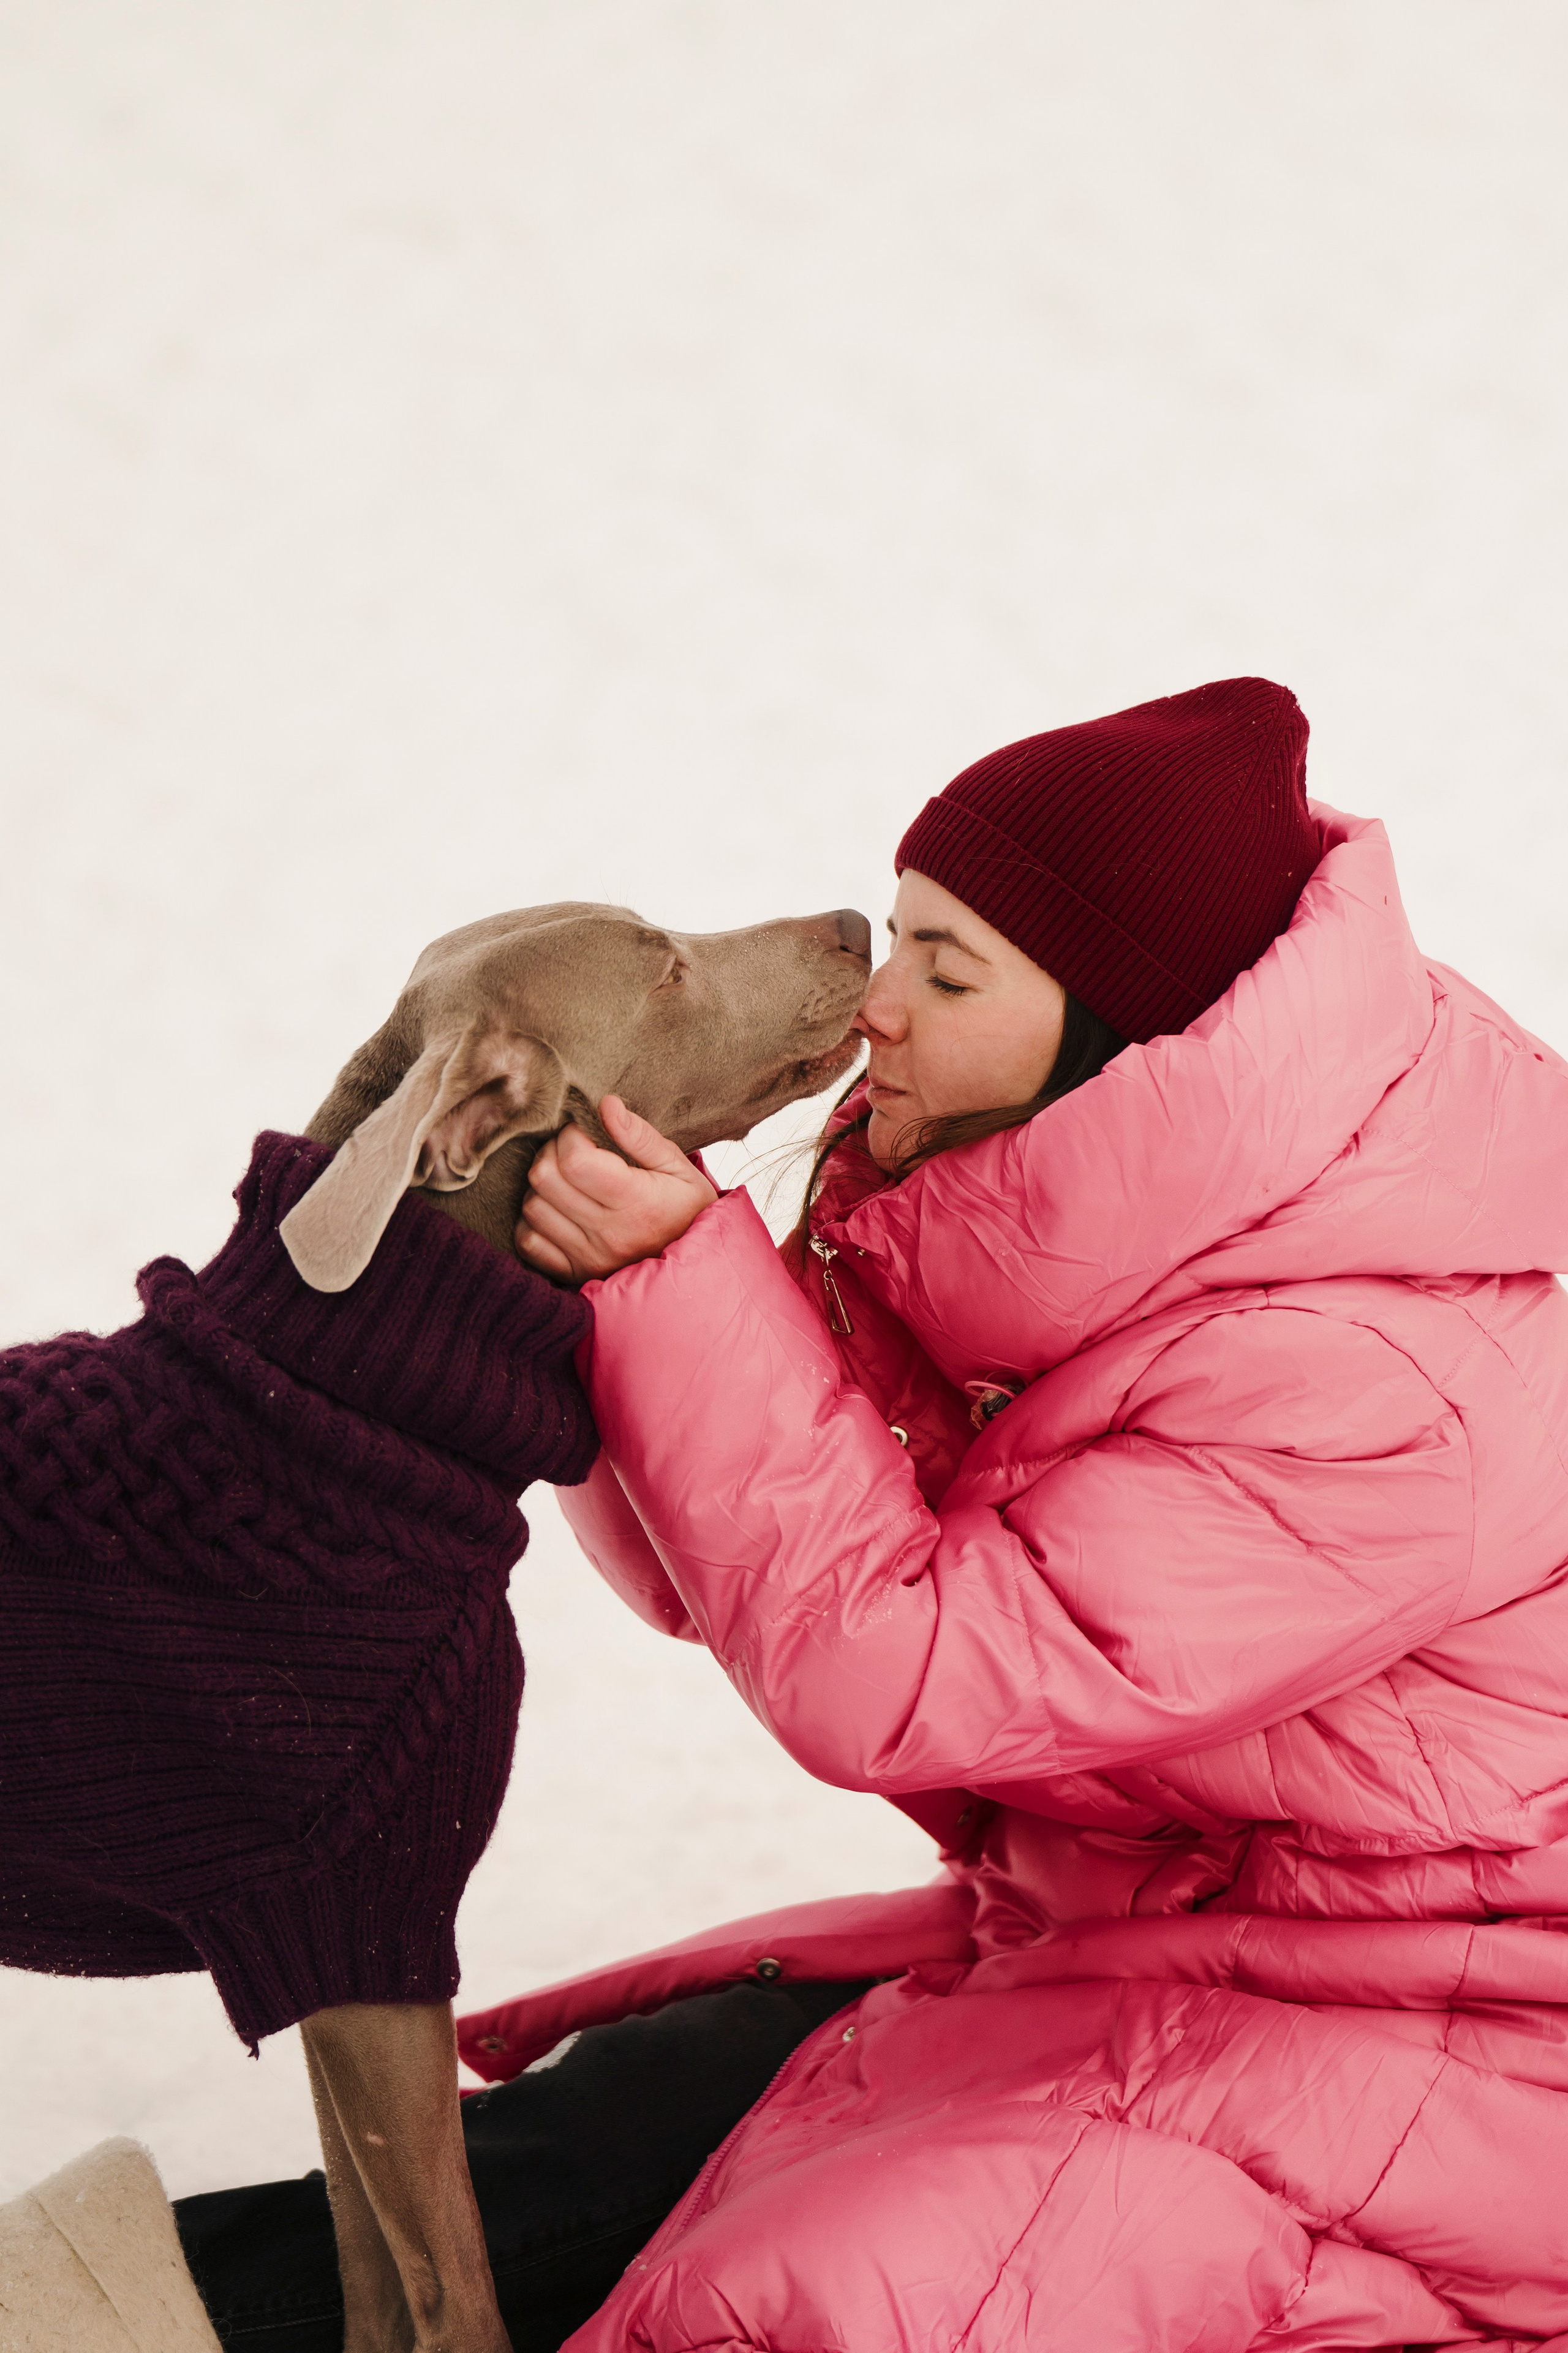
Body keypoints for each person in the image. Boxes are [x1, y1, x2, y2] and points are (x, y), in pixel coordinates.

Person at [181, 678, 1568, 2351]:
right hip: (1120, 1950)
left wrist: (674, 1283)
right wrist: (597, 1294)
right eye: (902, 935)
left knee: (826, 2293)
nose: (879, 1004)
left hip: (1442, 2053)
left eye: (947, 970)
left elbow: (898, 1669)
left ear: (1123, 1035)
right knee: (620, 2125)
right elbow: (727, 1569)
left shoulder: (1373, 1385)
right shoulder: (1020, 1203)